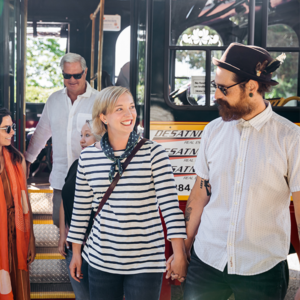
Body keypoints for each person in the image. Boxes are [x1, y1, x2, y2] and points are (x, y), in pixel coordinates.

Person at [172, 42, 300, 300]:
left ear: (251, 87)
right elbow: (199, 196)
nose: (217, 95)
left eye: (223, 88)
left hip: (262, 268)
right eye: (215, 87)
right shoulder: (213, 131)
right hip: (207, 260)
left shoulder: (290, 138)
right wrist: (182, 252)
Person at [66, 86, 188, 300]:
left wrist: (179, 253)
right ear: (103, 116)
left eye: (131, 107)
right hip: (100, 258)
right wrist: (76, 253)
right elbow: (81, 211)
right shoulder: (88, 158)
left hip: (146, 261)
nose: (129, 114)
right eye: (119, 109)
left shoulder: (154, 153)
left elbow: (170, 207)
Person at [24, 52, 100, 227]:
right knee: (60, 224)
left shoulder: (99, 101)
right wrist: (28, 160)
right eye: (67, 75)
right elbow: (41, 133)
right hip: (60, 180)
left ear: (85, 72)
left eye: (76, 75)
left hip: (91, 180)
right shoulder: (54, 100)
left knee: (88, 229)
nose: (72, 79)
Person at [58, 120, 100, 300]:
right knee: (82, 296)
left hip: (95, 246)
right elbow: (63, 200)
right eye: (81, 135)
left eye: (87, 135)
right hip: (72, 245)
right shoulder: (77, 164)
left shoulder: (106, 169)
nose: (82, 140)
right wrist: (62, 234)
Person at [0, 108, 36, 300]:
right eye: (7, 128)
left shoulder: (17, 159)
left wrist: (31, 239)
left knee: (18, 287)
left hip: (16, 235)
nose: (12, 132)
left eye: (12, 127)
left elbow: (25, 201)